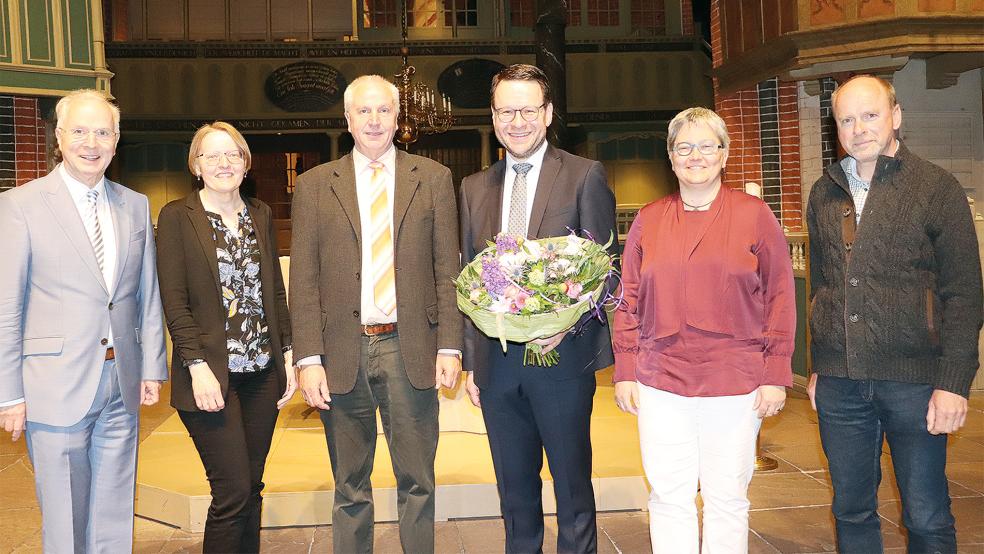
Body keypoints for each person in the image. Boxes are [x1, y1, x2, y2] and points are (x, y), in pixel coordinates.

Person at [806, 74, 983, 554]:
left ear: (896, 116)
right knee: (851, 509)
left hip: (915, 383)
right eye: (847, 119)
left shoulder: (936, 187)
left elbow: (964, 293)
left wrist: (953, 383)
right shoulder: (824, 192)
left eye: (870, 115)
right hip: (841, 383)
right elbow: (822, 286)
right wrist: (821, 366)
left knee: (926, 514)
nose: (859, 128)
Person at [289, 74, 463, 554]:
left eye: (383, 110)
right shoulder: (314, 185)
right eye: (363, 111)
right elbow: (303, 280)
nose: (373, 120)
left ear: (397, 116)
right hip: (342, 352)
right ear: (347, 119)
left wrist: (450, 346)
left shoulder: (433, 178)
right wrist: (308, 359)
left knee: (418, 481)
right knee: (349, 486)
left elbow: (447, 269)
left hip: (411, 348)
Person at [612, 106, 795, 554]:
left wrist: (775, 373)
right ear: (671, 158)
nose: (695, 156)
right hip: (661, 379)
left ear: (724, 154)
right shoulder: (649, 218)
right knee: (668, 496)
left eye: (707, 146)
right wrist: (625, 369)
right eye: (684, 147)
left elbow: (780, 295)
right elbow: (628, 297)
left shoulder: (754, 214)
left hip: (734, 380)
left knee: (726, 498)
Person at [459, 63, 618, 553]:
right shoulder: (473, 188)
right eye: (506, 111)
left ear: (548, 113)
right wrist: (472, 363)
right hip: (498, 365)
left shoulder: (583, 175)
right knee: (514, 496)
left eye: (528, 110)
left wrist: (567, 324)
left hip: (562, 362)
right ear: (493, 116)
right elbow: (466, 279)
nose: (517, 122)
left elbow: (606, 268)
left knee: (572, 490)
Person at [0, 89, 167, 552]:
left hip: (121, 381)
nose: (91, 143)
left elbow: (145, 293)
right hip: (54, 384)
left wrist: (152, 366)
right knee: (66, 520)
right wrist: (9, 394)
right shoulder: (19, 205)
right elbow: (7, 307)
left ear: (116, 140)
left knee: (114, 514)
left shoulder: (135, 204)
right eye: (79, 131)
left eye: (102, 132)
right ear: (58, 137)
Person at [156, 122, 295, 553]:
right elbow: (174, 301)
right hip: (209, 377)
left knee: (251, 487)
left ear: (245, 163)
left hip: (262, 375)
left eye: (232, 154)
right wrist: (196, 366)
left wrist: (288, 352)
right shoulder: (177, 217)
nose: (223, 163)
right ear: (196, 166)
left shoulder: (260, 213)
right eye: (212, 155)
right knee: (232, 492)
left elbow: (274, 290)